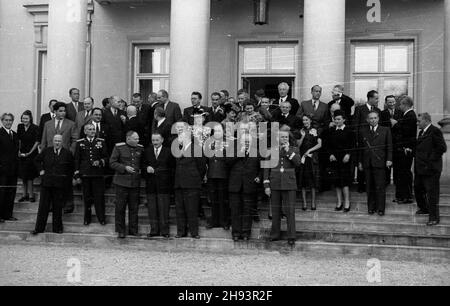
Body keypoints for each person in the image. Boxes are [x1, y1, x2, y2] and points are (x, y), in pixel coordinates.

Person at [264, 130, 301, 246]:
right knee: (275, 211)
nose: (284, 139)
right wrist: (266, 185)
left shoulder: (294, 149)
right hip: (275, 183)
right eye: (282, 137)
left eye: (286, 137)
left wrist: (288, 151)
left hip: (289, 183)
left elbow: (298, 163)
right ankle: (275, 235)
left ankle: (291, 236)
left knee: (290, 211)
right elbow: (266, 168)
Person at [31, 134, 74, 235]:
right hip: (47, 183)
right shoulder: (46, 151)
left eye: (59, 141)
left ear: (62, 142)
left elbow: (71, 168)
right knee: (43, 207)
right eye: (56, 141)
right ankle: (39, 228)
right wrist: (41, 170)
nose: (57, 143)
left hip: (60, 185)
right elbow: (36, 160)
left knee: (58, 207)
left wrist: (67, 180)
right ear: (53, 141)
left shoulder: (67, 153)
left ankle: (57, 228)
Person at [40, 102, 77, 214]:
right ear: (55, 112)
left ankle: (68, 204)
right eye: (60, 111)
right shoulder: (47, 124)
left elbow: (75, 140)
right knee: (51, 181)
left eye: (64, 111)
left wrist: (69, 153)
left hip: (64, 157)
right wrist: (43, 155)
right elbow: (44, 140)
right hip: (50, 157)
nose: (63, 113)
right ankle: (51, 204)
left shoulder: (71, 124)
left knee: (66, 181)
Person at [173, 125, 207, 239]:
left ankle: (194, 232)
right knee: (180, 209)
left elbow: (202, 167)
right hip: (179, 183)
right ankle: (181, 231)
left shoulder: (196, 148)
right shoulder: (177, 149)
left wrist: (196, 178)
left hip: (192, 183)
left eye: (181, 135)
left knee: (192, 208)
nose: (179, 137)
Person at [227, 133, 261, 241]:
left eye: (248, 141)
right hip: (235, 185)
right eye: (244, 141)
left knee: (247, 211)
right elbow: (227, 163)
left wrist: (259, 177)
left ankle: (246, 233)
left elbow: (262, 167)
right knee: (235, 211)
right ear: (240, 141)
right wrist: (240, 153)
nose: (246, 143)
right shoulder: (233, 150)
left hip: (249, 185)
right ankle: (236, 233)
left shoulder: (256, 152)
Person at [110, 131, 144, 239]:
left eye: (138, 139)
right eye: (135, 139)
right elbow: (112, 162)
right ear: (128, 138)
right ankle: (121, 230)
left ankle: (133, 230)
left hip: (134, 182)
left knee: (134, 208)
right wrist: (124, 168)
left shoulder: (140, 148)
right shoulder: (119, 147)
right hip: (122, 182)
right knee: (120, 208)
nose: (138, 140)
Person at [414, 113, 447, 226]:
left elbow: (442, 148)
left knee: (432, 194)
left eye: (419, 121)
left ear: (426, 121)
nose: (417, 123)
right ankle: (424, 208)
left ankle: (434, 218)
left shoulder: (435, 131)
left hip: (431, 169)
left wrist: (430, 160)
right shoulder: (421, 132)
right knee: (418, 189)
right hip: (420, 168)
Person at [358, 111, 392, 216]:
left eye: (375, 118)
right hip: (367, 163)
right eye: (371, 118)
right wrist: (359, 162)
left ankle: (380, 208)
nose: (373, 120)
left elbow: (389, 146)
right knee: (369, 186)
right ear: (367, 120)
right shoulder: (363, 131)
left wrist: (389, 159)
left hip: (380, 162)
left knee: (380, 186)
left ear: (378, 119)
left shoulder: (385, 130)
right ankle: (371, 207)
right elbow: (360, 148)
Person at [74, 124, 108, 226]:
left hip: (97, 174)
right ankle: (87, 218)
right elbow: (77, 159)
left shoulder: (101, 142)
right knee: (87, 197)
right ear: (85, 131)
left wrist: (100, 161)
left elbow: (106, 157)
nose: (92, 131)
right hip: (85, 174)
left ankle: (101, 218)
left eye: (93, 129)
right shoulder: (80, 143)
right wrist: (77, 174)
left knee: (99, 197)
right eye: (90, 129)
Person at [143, 133, 175, 238]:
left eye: (157, 140)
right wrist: (146, 168)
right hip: (151, 185)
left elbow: (172, 168)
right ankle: (154, 230)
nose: (155, 142)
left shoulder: (168, 151)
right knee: (152, 209)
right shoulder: (147, 151)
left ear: (162, 140)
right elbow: (142, 164)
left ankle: (164, 231)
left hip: (164, 185)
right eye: (153, 140)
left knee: (164, 208)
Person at [326, 111, 355, 212]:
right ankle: (339, 202)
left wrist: (348, 154)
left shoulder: (349, 131)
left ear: (344, 120)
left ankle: (347, 202)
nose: (337, 121)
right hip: (335, 159)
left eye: (339, 119)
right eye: (335, 119)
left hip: (345, 160)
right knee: (337, 182)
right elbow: (328, 145)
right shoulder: (331, 131)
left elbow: (352, 145)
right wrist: (330, 154)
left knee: (344, 182)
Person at [353, 90, 381, 193]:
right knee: (362, 162)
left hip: (374, 141)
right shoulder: (359, 109)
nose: (378, 100)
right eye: (376, 98)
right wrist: (356, 140)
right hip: (362, 141)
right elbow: (355, 126)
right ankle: (361, 185)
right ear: (370, 98)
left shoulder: (378, 110)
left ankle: (371, 185)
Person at [205, 124, 230, 230]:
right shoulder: (209, 143)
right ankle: (214, 221)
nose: (217, 133)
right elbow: (206, 159)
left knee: (223, 199)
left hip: (223, 174)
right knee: (213, 199)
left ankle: (224, 221)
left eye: (219, 131)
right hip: (211, 174)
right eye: (215, 131)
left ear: (223, 132)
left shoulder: (228, 143)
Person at [394, 96, 417, 204]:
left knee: (404, 173)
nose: (399, 106)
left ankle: (406, 196)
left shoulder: (410, 115)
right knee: (401, 173)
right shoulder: (407, 115)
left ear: (405, 104)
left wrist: (396, 124)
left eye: (401, 104)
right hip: (403, 149)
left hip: (405, 150)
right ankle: (402, 196)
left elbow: (407, 132)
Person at [297, 115, 322, 210]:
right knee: (303, 182)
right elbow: (298, 145)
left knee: (313, 181)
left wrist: (309, 151)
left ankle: (313, 203)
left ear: (310, 120)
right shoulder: (300, 131)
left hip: (312, 158)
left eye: (306, 120)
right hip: (302, 158)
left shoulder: (315, 131)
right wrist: (302, 136)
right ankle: (304, 203)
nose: (305, 122)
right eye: (303, 120)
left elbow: (319, 144)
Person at [0, 113, 19, 223]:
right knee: (1, 193)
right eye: (6, 120)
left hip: (13, 169)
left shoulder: (15, 135)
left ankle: (8, 214)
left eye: (10, 120)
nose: (8, 122)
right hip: (2, 170)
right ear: (2, 121)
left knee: (11, 192)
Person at [380, 95, 403, 186]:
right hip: (386, 142)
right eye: (390, 102)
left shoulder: (400, 112)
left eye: (393, 102)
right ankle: (387, 183)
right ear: (386, 103)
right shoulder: (382, 113)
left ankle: (397, 184)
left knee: (397, 166)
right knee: (387, 165)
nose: (392, 104)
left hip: (397, 143)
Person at [17, 111, 40, 203]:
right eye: (23, 118)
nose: (24, 120)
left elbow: (37, 141)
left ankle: (31, 195)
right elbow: (18, 140)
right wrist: (18, 150)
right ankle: (24, 194)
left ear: (30, 119)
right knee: (23, 175)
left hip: (32, 154)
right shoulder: (20, 126)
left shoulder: (35, 128)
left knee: (30, 176)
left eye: (26, 118)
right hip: (22, 154)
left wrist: (30, 152)